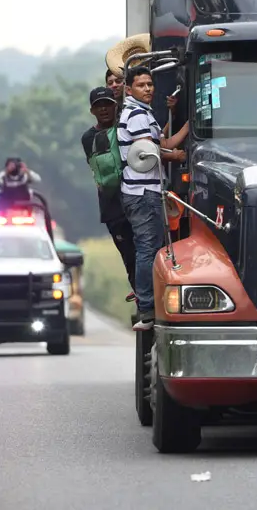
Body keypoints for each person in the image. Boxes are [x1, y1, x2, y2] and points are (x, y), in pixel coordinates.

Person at [118, 65, 190, 326]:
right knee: (148, 249)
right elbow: (153, 152)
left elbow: (165, 142)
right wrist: (176, 157)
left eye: (150, 84)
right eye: (141, 85)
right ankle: (147, 308)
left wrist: (190, 124)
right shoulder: (136, 115)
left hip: (148, 190)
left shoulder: (143, 113)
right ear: (129, 89)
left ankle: (152, 304)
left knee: (154, 248)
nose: (148, 89)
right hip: (142, 192)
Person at [81, 86, 137, 293]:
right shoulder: (89, 138)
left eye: (107, 104)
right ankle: (141, 298)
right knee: (129, 255)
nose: (104, 109)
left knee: (146, 251)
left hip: (137, 199)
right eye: (98, 106)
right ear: (92, 111)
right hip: (113, 206)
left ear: (116, 106)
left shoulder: (128, 126)